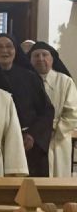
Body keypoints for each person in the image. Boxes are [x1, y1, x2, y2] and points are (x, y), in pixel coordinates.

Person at [0, 33, 54, 177]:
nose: (4, 50)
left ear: (16, 50)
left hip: (27, 144)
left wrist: (33, 135)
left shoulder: (30, 77)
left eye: (9, 46)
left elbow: (46, 111)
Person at [29, 42, 77, 177]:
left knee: (57, 174)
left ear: (52, 59)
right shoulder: (26, 80)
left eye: (45, 55)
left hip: (57, 137)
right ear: (30, 59)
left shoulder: (65, 81)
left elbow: (72, 112)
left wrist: (54, 131)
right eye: (36, 55)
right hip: (32, 138)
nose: (40, 58)